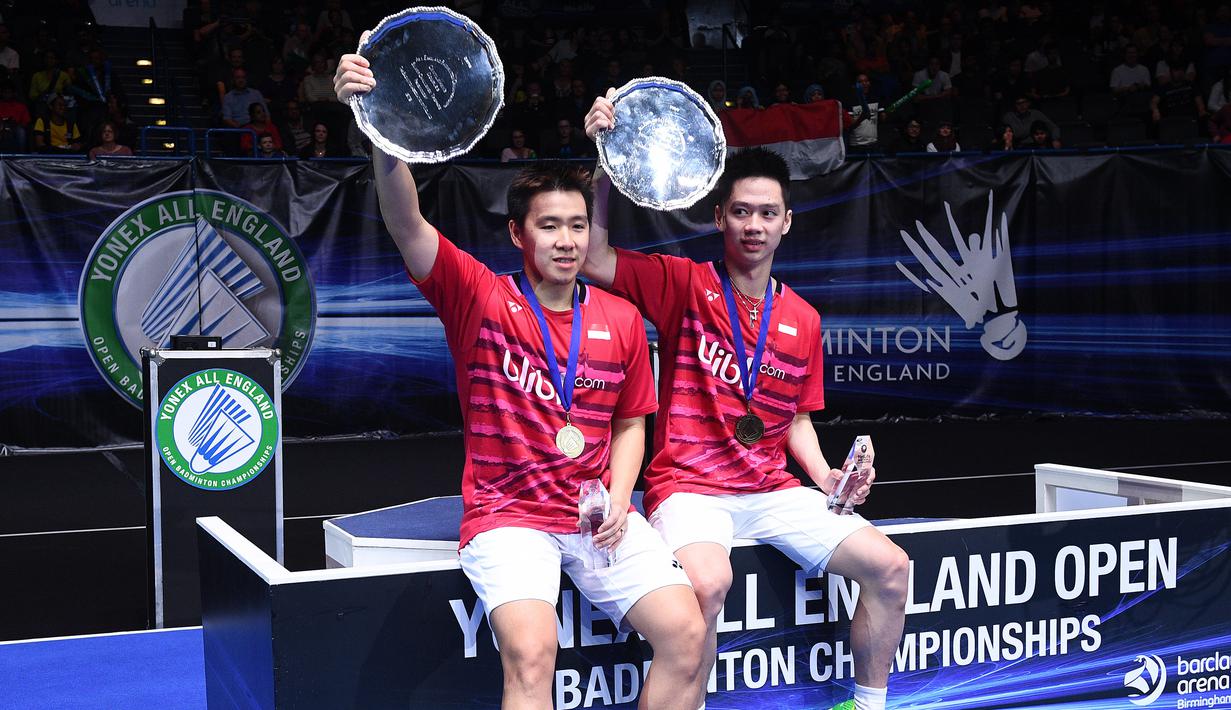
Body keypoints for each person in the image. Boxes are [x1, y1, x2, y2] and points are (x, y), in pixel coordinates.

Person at [334, 50, 708, 710]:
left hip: (596, 517)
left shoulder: (620, 319)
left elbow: (629, 424)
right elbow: (404, 222)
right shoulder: (476, 297)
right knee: (534, 653)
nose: (565, 241)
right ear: (517, 233)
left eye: (575, 226)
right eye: (548, 226)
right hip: (509, 519)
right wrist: (378, 132)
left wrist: (622, 496)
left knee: (685, 632)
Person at [584, 94, 910, 710]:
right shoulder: (683, 284)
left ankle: (869, 705)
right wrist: (603, 169)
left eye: (767, 213)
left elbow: (798, 419)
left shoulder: (804, 318)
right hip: (689, 487)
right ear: (719, 218)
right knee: (708, 582)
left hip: (771, 490)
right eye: (741, 212)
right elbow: (597, 259)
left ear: (787, 222)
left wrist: (826, 475)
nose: (754, 225)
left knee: (892, 568)